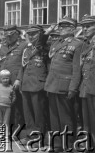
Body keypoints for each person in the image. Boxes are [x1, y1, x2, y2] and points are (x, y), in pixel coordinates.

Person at [44, 17, 83, 152]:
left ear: (72, 29)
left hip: (65, 86)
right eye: (59, 26)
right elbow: (40, 43)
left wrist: (73, 87)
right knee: (54, 118)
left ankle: (68, 145)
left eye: (64, 27)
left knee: (66, 118)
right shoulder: (55, 43)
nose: (60, 29)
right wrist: (49, 30)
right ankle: (56, 144)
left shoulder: (77, 44)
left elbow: (77, 68)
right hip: (52, 85)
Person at [17, 25, 51, 144]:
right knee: (28, 112)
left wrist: (47, 84)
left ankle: (38, 136)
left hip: (38, 84)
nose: (31, 36)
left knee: (39, 112)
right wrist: (20, 81)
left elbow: (49, 68)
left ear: (40, 34)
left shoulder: (44, 48)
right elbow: (22, 67)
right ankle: (30, 134)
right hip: (26, 83)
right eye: (29, 34)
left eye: (34, 34)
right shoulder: (27, 49)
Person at [0, 25, 25, 133]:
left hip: (15, 81)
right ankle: (4, 132)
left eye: (11, 35)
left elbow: (23, 64)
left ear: (17, 34)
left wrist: (19, 79)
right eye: (7, 35)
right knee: (3, 108)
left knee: (17, 108)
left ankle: (16, 132)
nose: (8, 37)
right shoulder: (1, 46)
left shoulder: (23, 45)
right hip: (3, 82)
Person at [79, 15, 95, 149]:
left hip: (93, 87)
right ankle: (89, 145)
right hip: (86, 87)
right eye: (83, 26)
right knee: (87, 120)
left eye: (88, 26)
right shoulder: (86, 43)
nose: (84, 29)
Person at [0, 69, 15, 136]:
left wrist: (11, 102)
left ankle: (5, 134)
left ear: (9, 78)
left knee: (6, 121)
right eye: (3, 78)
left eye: (7, 78)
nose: (5, 80)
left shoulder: (11, 87)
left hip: (8, 106)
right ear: (0, 79)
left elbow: (14, 96)